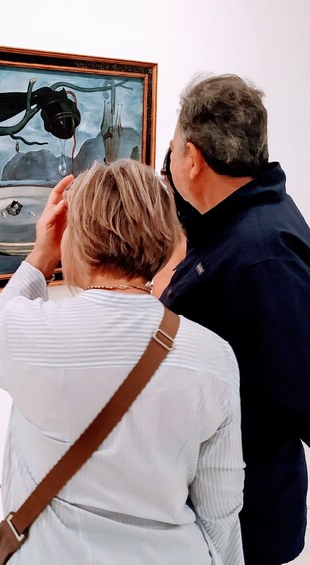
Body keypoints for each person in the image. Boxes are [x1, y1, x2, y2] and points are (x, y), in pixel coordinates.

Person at [0, 160, 244, 564]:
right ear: (166, 236)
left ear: (75, 236)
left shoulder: (25, 331)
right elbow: (220, 510)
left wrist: (41, 255)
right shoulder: (212, 356)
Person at [159, 74, 310, 565]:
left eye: (173, 148)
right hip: (210, 503)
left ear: (192, 158)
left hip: (245, 521)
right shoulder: (237, 220)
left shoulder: (263, 256)